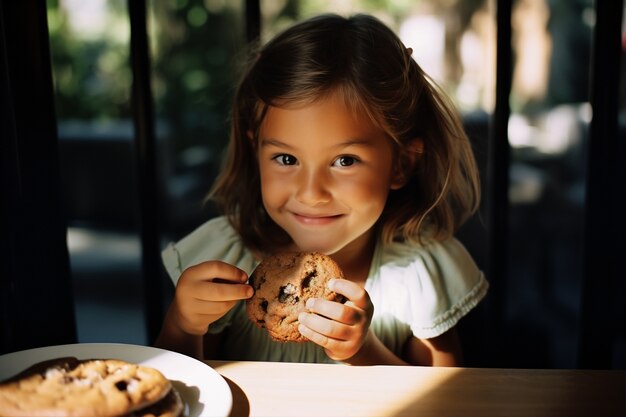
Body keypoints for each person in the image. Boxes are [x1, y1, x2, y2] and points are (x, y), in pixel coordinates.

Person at [155, 13, 488, 366]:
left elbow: (444, 398)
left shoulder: (417, 275)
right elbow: (177, 388)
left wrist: (363, 351)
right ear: (256, 152)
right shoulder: (225, 258)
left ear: (401, 164)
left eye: (345, 161)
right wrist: (183, 324)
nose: (311, 193)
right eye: (285, 158)